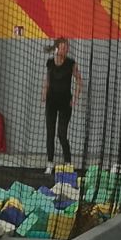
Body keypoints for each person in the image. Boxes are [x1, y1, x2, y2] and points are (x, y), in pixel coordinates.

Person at [42, 37, 83, 175]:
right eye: (64, 48)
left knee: (61, 134)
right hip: (51, 102)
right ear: (57, 49)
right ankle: (49, 163)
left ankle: (68, 162)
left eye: (67, 48)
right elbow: (47, 81)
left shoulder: (71, 64)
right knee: (50, 133)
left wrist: (75, 98)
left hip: (65, 103)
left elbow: (79, 81)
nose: (66, 50)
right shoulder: (50, 63)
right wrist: (44, 93)